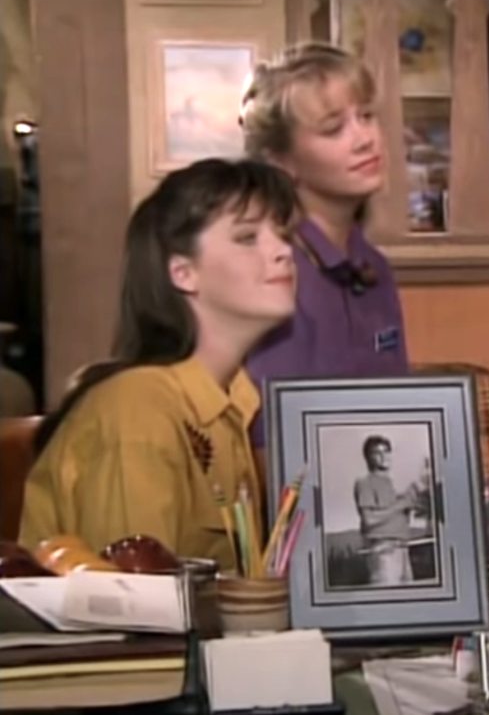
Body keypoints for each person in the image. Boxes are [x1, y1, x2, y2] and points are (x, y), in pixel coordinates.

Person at [18, 159, 298, 572]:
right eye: (247, 237)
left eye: (282, 234)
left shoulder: (234, 405)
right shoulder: (139, 410)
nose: (283, 251)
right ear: (183, 273)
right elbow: (135, 610)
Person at [240, 42, 408, 454]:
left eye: (366, 116)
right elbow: (268, 447)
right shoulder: (271, 272)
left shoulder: (375, 268)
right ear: (282, 161)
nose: (365, 138)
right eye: (334, 128)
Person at [352, 435, 424, 586]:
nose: (383, 456)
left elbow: (393, 515)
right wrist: (401, 504)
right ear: (368, 458)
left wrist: (409, 504)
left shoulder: (389, 483)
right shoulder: (365, 483)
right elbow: (369, 520)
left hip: (403, 550)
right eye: (377, 453)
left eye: (386, 451)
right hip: (384, 552)